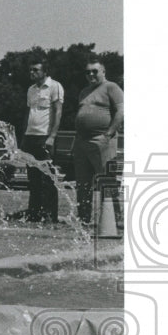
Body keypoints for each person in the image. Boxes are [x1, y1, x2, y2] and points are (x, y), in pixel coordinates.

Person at [72, 59, 123, 225]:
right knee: (82, 183)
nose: (91, 74)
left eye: (95, 71)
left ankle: (113, 221)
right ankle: (84, 220)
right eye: (88, 72)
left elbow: (121, 111)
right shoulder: (84, 91)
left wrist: (108, 134)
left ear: (103, 71)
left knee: (107, 181)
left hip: (102, 139)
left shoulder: (111, 87)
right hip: (82, 141)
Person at [20, 60, 64, 223]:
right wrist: (23, 136)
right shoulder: (31, 89)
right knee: (33, 178)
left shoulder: (54, 86)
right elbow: (28, 113)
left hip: (45, 136)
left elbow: (58, 111)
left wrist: (52, 136)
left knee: (48, 178)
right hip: (30, 136)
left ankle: (49, 215)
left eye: (36, 70)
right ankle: (34, 213)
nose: (32, 73)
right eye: (30, 70)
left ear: (45, 72)